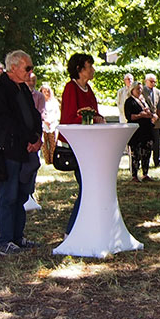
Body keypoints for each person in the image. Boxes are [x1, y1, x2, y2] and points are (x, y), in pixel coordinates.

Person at [0, 51, 42, 254]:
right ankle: (5, 240)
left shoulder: (24, 89)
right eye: (27, 68)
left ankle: (18, 237)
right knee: (8, 195)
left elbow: (34, 115)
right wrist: (28, 138)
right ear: (13, 67)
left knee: (22, 195)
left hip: (27, 149)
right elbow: (5, 120)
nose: (30, 72)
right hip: (10, 150)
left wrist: (37, 137)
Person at [59, 52, 100, 233]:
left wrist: (98, 118)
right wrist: (90, 119)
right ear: (79, 69)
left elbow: (94, 112)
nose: (92, 70)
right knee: (86, 186)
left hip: (90, 142)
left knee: (90, 185)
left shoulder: (88, 88)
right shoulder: (71, 88)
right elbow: (68, 118)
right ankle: (72, 229)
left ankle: (85, 225)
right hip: (77, 144)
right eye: (89, 66)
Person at [123, 82, 155, 181]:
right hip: (136, 131)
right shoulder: (129, 101)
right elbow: (129, 116)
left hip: (146, 130)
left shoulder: (143, 100)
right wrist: (140, 115)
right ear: (132, 90)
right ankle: (134, 175)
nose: (140, 91)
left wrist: (149, 114)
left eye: (141, 89)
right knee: (135, 153)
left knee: (147, 152)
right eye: (137, 89)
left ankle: (145, 173)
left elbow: (151, 113)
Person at [143, 73, 160, 170]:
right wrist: (150, 115)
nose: (153, 83)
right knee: (146, 142)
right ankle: (145, 161)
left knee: (156, 142)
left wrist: (158, 116)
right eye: (151, 81)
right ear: (146, 81)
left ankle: (157, 161)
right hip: (146, 121)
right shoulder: (142, 91)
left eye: (154, 81)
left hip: (157, 121)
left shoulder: (158, 92)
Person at [39, 84, 60, 166]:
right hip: (43, 124)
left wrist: (51, 121)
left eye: (48, 91)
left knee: (53, 143)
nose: (46, 93)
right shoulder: (40, 101)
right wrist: (44, 121)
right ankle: (47, 160)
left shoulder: (54, 102)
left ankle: (53, 160)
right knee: (44, 143)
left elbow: (57, 113)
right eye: (44, 91)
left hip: (52, 124)